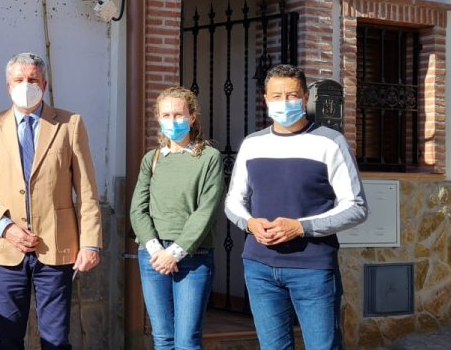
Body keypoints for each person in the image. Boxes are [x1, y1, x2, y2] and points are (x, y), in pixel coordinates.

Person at [224, 64, 368, 350]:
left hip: (312, 268)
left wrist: (301, 227)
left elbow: (356, 207)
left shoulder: (331, 142)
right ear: (266, 99)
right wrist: (249, 223)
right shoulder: (252, 144)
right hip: (259, 268)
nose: (284, 102)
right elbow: (233, 201)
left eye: (292, 95)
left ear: (305, 98)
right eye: (277, 96)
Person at [0, 52, 102, 350]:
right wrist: (4, 226)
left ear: (44, 84)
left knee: (56, 340)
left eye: (32, 79)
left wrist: (90, 243)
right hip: (7, 249)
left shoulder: (69, 124)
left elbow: (87, 190)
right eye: (19, 80)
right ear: (8, 87)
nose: (26, 85)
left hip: (56, 247)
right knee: (9, 339)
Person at [130, 86, 224, 350]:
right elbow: (138, 209)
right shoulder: (152, 159)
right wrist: (157, 251)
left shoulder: (209, 158)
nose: (173, 120)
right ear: (158, 119)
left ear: (192, 117)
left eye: (179, 114)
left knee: (187, 341)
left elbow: (206, 210)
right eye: (166, 115)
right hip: (153, 256)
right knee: (162, 338)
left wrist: (175, 253)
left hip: (194, 256)